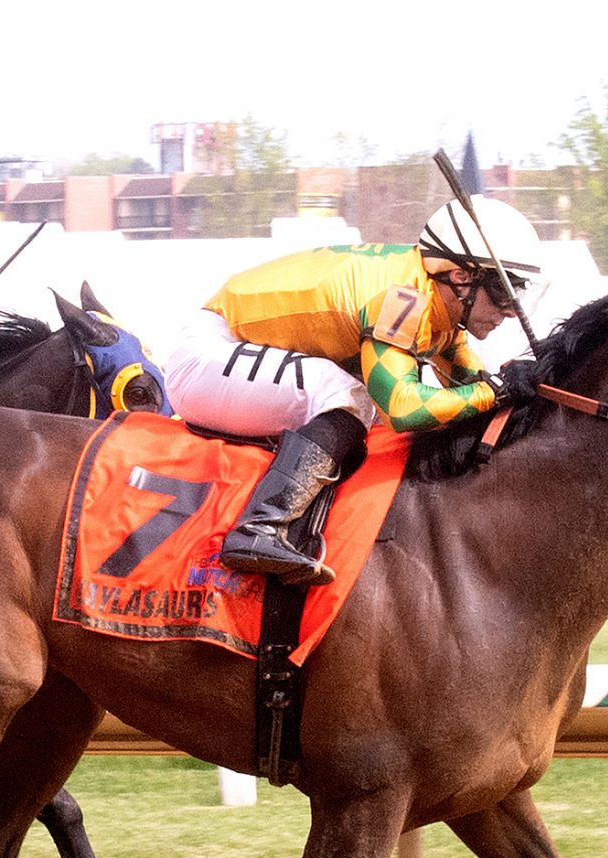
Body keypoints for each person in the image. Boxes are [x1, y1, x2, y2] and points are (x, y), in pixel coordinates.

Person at [161, 195, 547, 585]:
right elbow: (403, 408)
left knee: (354, 398)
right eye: (502, 291)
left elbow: (472, 388)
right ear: (461, 277)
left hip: (230, 350)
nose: (511, 310)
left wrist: (511, 385)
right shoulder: (403, 297)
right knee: (352, 398)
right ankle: (258, 527)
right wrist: (494, 391)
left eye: (517, 292)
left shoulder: (440, 306)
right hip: (207, 353)